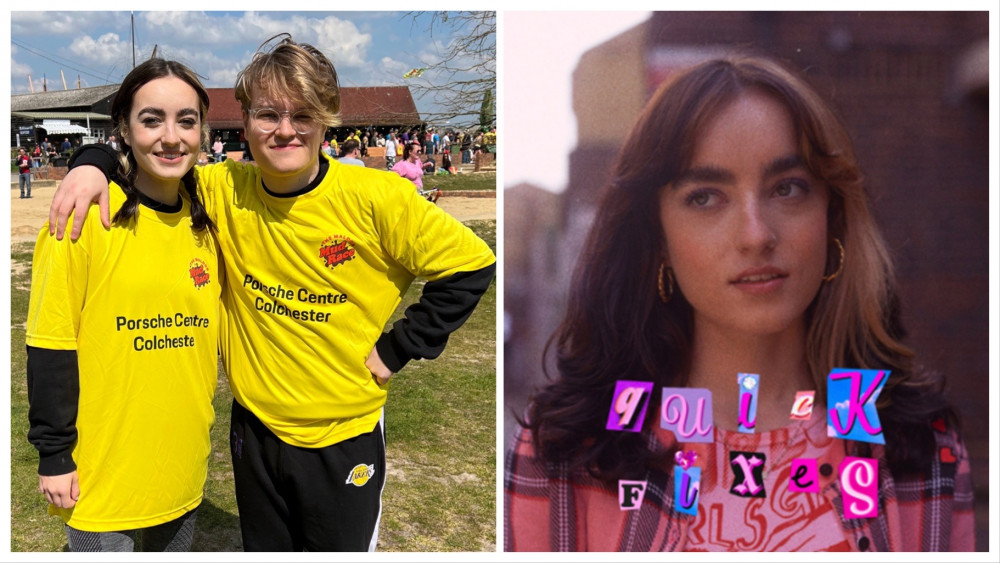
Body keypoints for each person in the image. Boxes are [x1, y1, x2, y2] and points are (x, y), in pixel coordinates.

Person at [504, 55, 973, 552]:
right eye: (706, 197)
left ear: (832, 218)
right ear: (657, 238)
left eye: (787, 188)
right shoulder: (564, 452)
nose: (756, 235)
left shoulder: (921, 447)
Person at [50, 33, 495, 552]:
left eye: (302, 115)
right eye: (268, 115)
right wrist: (91, 161)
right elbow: (154, 154)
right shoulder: (221, 189)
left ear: (327, 119)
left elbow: (472, 265)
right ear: (244, 121)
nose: (285, 130)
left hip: (340, 434)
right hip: (255, 431)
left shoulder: (379, 198)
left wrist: (400, 347)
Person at [26, 58, 220, 552]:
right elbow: (50, 344)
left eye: (187, 120)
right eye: (152, 119)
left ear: (204, 129)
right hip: (103, 476)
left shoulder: (211, 221)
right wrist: (54, 454)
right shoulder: (82, 216)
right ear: (124, 129)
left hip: (181, 470)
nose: (171, 137)